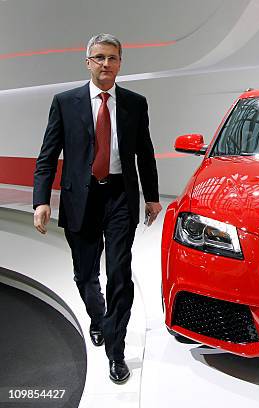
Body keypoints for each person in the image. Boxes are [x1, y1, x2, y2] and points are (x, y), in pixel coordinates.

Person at [32, 33, 162, 384]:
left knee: (120, 273)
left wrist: (151, 195)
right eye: (100, 57)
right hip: (81, 199)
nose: (106, 64)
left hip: (120, 196)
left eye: (113, 58)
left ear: (121, 63)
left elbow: (145, 153)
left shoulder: (135, 103)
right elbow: (47, 156)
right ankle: (98, 316)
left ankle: (115, 351)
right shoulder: (65, 102)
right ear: (88, 61)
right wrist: (41, 201)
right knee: (85, 274)